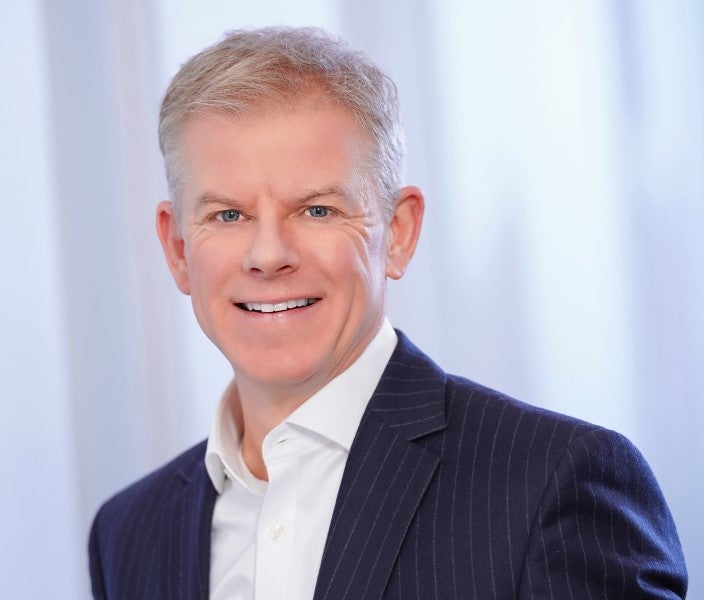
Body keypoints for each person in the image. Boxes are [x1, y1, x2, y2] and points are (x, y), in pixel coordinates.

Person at [88, 27, 687, 599]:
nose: (268, 255)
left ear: (398, 233)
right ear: (178, 249)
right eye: (227, 215)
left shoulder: (554, 484)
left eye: (317, 210)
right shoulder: (129, 533)